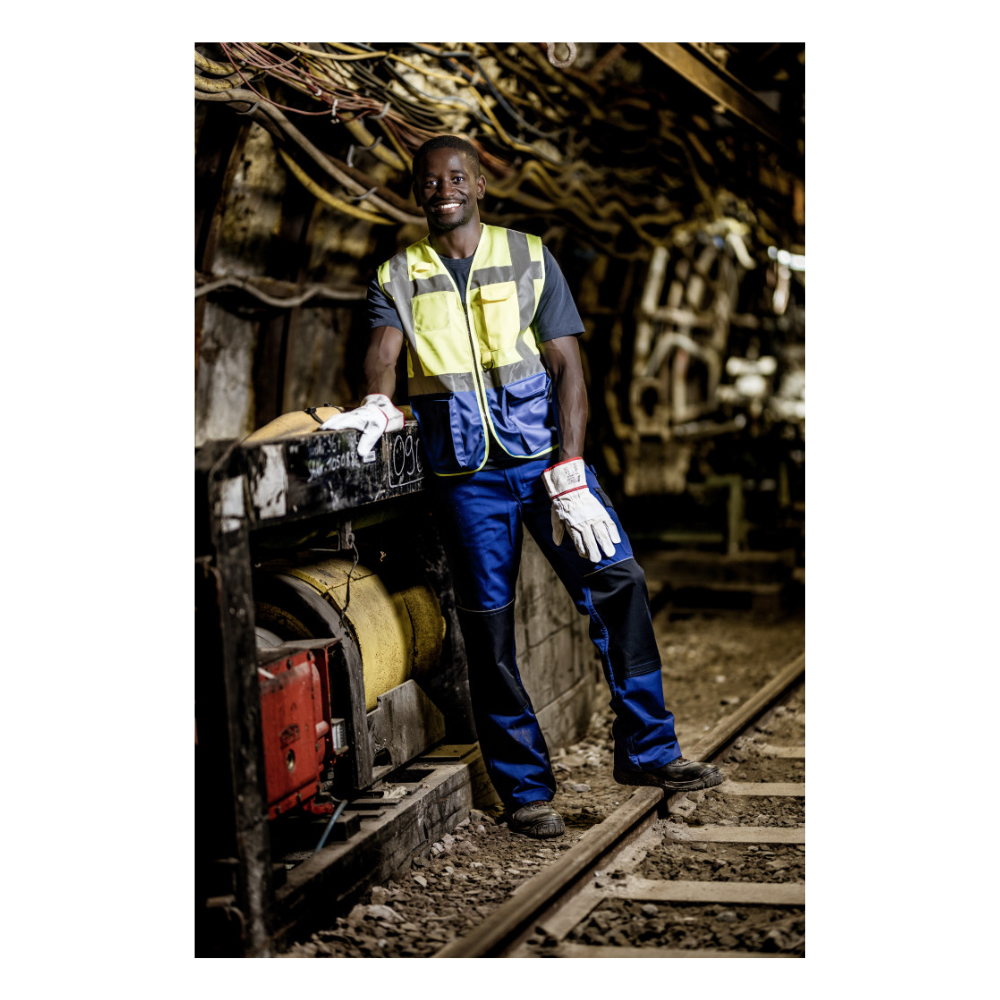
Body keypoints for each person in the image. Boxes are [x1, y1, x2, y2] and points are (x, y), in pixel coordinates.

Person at [321, 135, 722, 838]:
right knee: (489, 633)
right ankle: (526, 791)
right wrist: (378, 402)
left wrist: (571, 465)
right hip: (466, 481)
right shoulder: (396, 275)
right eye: (428, 180)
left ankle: (651, 751)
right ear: (417, 193)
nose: (441, 188)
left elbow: (569, 367)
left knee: (619, 582)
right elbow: (383, 355)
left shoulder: (529, 255)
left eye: (455, 177)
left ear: (479, 185)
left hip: (546, 467)